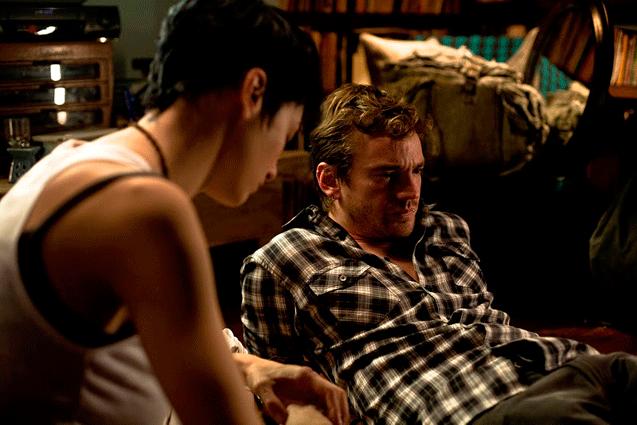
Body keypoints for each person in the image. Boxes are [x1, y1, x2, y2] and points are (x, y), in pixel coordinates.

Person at [0, 1, 350, 424]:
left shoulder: (73, 160)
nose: (275, 167)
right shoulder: (147, 209)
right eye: (286, 133)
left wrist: (247, 366)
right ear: (254, 92)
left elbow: (98, 354)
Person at [240, 83, 637, 425]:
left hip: (568, 364)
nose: (409, 192)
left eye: (416, 171)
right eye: (387, 176)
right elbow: (274, 393)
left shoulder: (447, 229)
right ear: (330, 180)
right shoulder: (282, 262)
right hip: (475, 405)